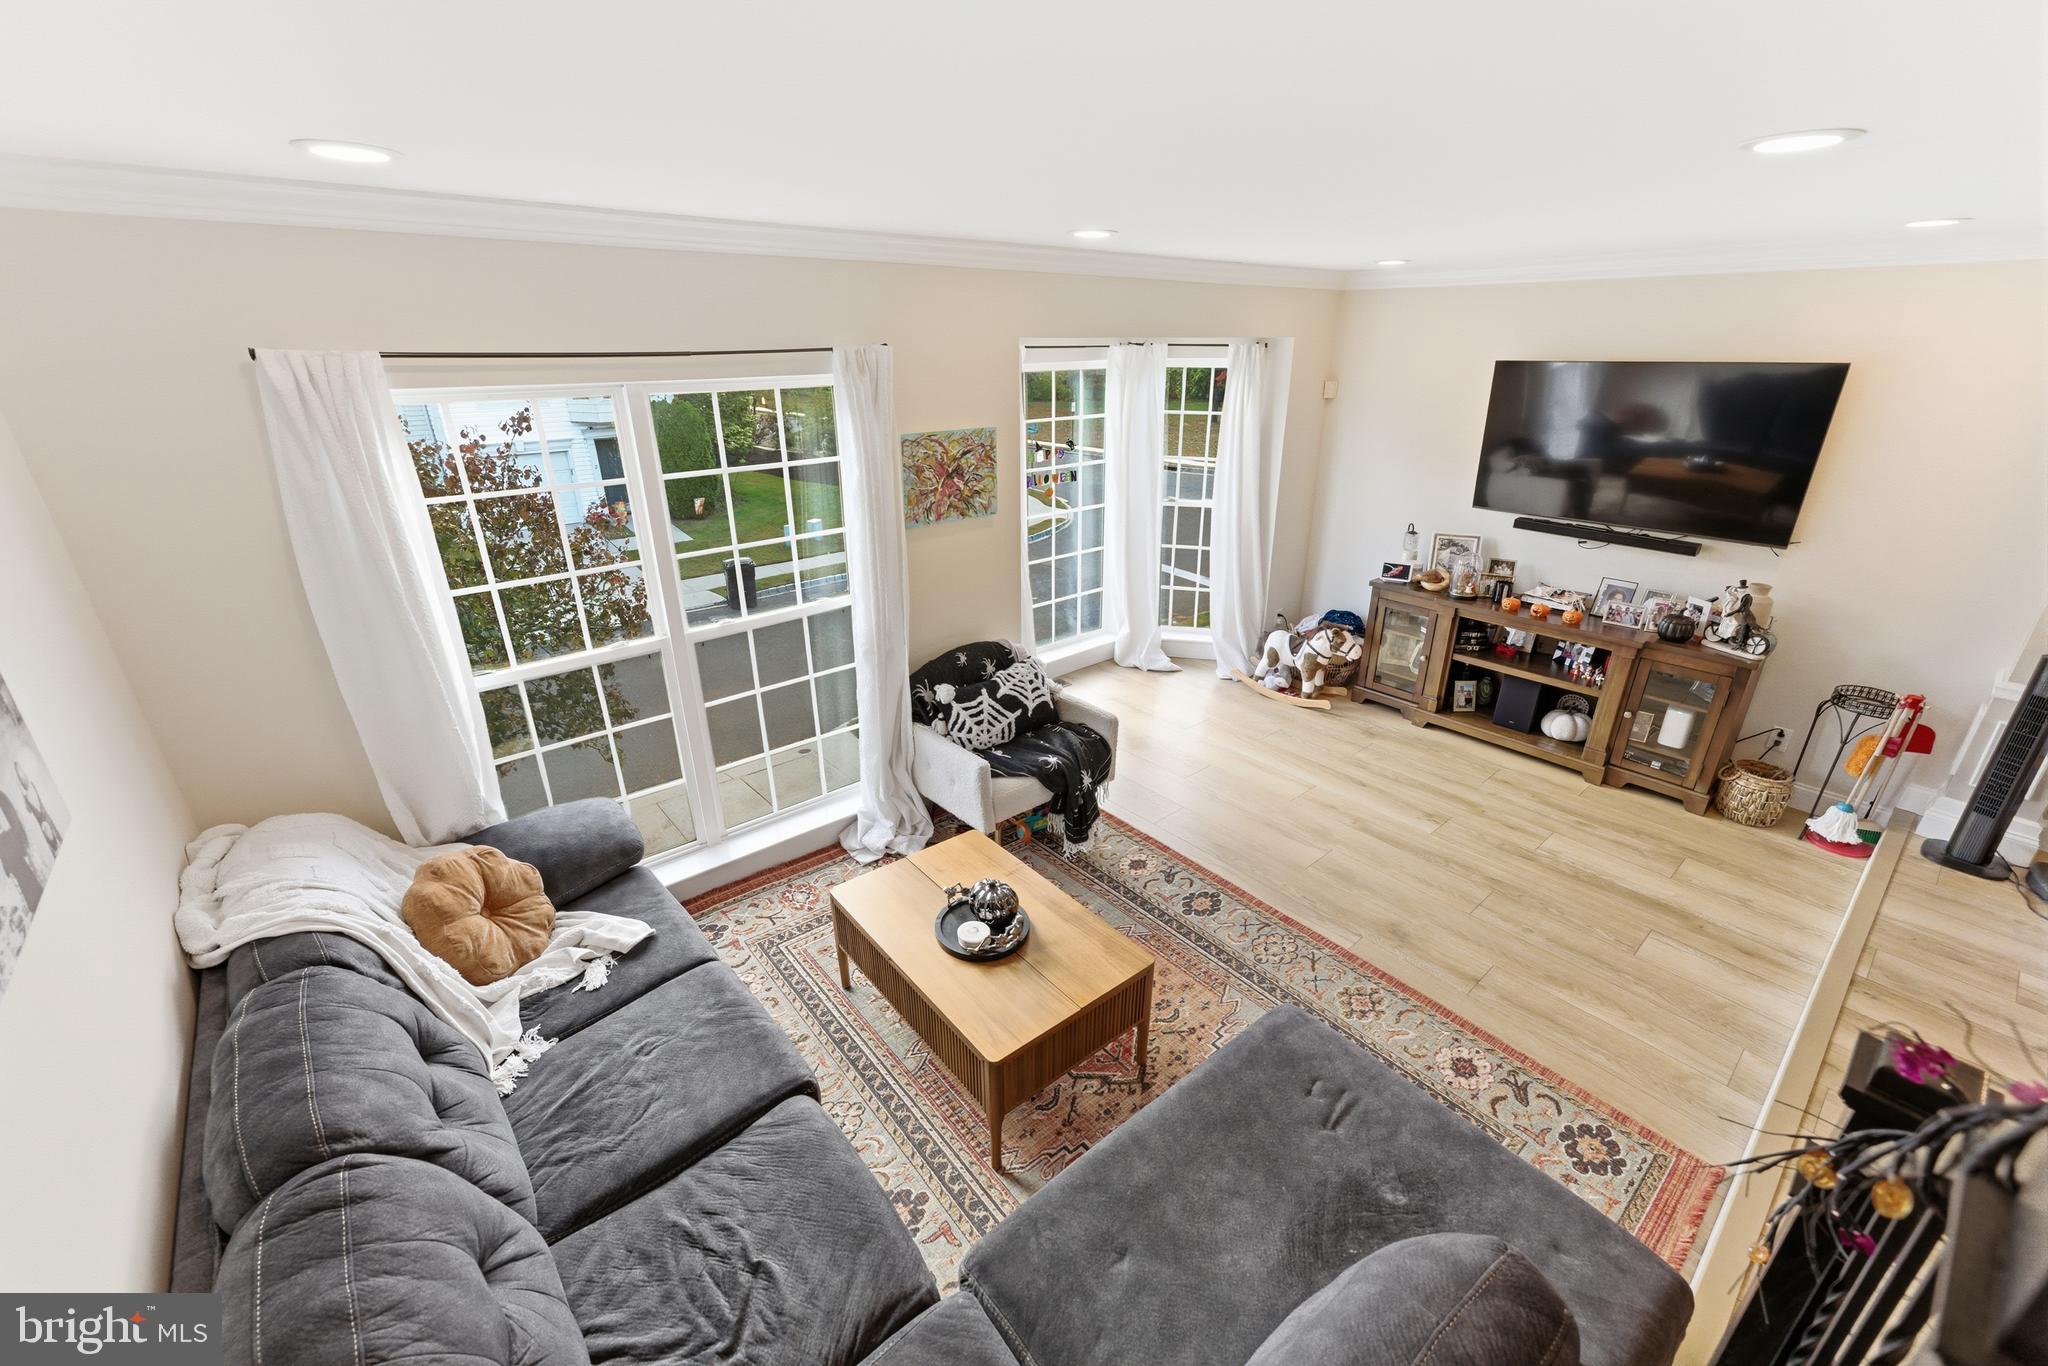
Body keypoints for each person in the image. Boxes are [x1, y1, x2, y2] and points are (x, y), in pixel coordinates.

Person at [0, 790, 43, 912]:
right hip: (6, 852)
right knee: (22, 881)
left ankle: (37, 899)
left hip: (13, 846)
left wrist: (23, 840)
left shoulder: (1, 797)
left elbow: (12, 817)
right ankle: (34, 903)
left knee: (27, 875)